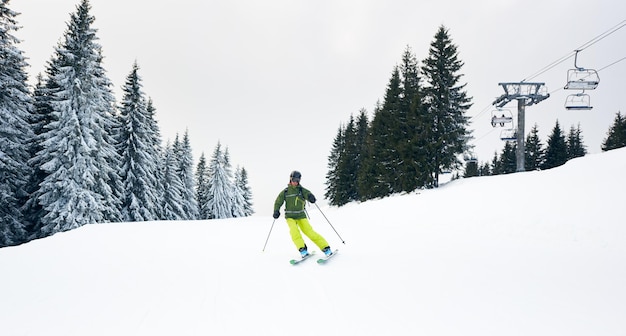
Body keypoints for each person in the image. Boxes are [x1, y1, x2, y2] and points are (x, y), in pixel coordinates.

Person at [273, 171, 333, 258]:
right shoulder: (285, 192)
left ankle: (326, 248)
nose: (295, 182)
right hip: (290, 216)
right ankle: (302, 250)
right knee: (294, 232)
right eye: (293, 180)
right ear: (290, 179)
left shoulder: (301, 190)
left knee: (310, 232)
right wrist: (276, 210)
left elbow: (307, 193)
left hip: (301, 215)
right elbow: (278, 202)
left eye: (297, 180)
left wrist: (310, 197)